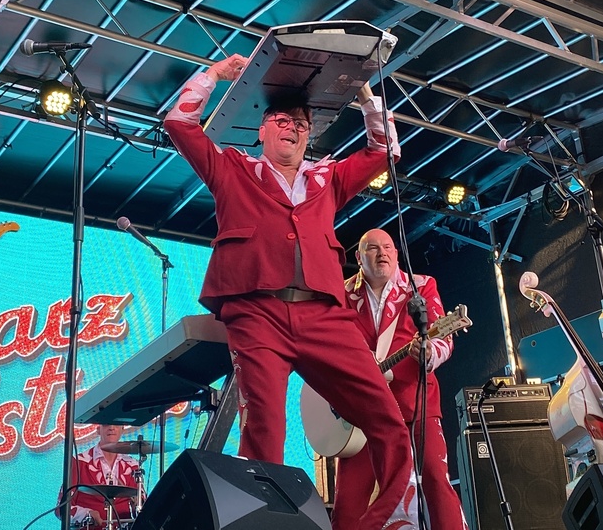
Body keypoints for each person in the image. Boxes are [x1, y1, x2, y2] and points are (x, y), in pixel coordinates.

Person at [163, 53, 413, 530]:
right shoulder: (232, 169)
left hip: (324, 316)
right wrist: (215, 75)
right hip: (258, 315)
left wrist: (363, 94)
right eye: (280, 120)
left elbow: (385, 153)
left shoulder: (328, 179)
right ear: (261, 131)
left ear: (309, 135)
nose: (292, 128)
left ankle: (373, 526)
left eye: (301, 122)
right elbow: (180, 122)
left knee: (389, 422)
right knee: (265, 433)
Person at [333, 228, 468, 530]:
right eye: (373, 248)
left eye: (388, 247)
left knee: (435, 479)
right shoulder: (342, 292)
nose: (382, 253)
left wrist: (429, 353)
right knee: (348, 503)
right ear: (358, 257)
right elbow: (329, 345)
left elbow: (442, 338)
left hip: (414, 402)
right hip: (362, 411)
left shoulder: (420, 286)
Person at [62, 424, 144, 528]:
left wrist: (136, 505)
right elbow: (62, 508)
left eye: (116, 425)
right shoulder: (79, 463)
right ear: (98, 430)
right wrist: (86, 514)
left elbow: (144, 506)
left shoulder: (133, 465)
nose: (112, 428)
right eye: (106, 424)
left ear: (122, 429)